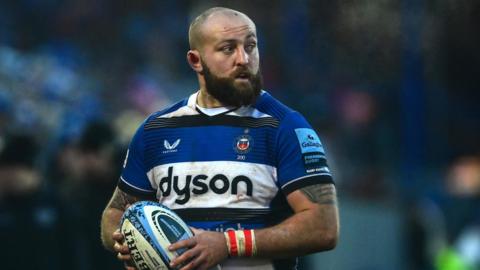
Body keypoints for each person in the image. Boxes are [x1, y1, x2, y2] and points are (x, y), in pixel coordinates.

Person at [101, 7, 339, 270]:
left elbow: (323, 227)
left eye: (251, 46)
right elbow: (114, 213)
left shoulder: (285, 127)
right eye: (228, 48)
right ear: (196, 60)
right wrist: (129, 242)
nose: (243, 58)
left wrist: (228, 243)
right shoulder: (156, 130)